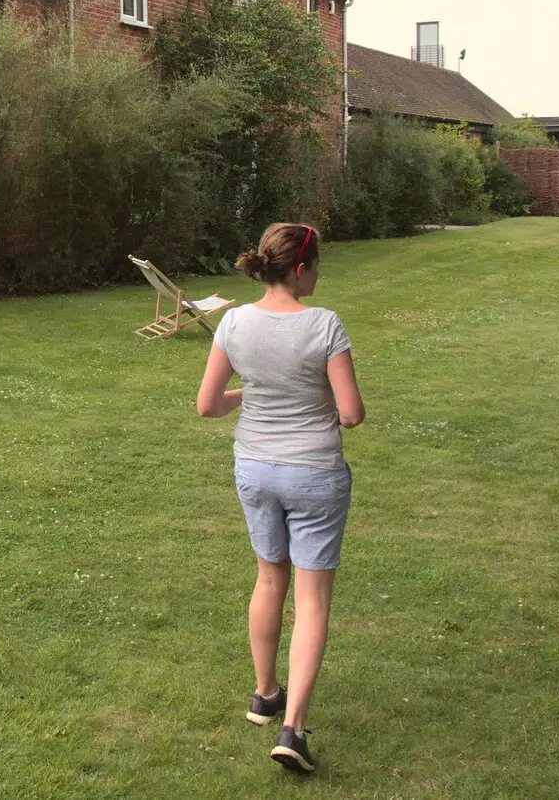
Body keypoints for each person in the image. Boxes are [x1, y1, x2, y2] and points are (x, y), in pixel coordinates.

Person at [195, 222, 365, 774]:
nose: (320, 275)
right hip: (313, 473)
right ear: (300, 268)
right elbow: (351, 413)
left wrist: (258, 390)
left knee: (270, 578)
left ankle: (265, 694)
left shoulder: (234, 321)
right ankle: (292, 728)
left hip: (256, 470)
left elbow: (209, 405)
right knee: (312, 600)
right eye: (318, 265)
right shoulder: (324, 325)